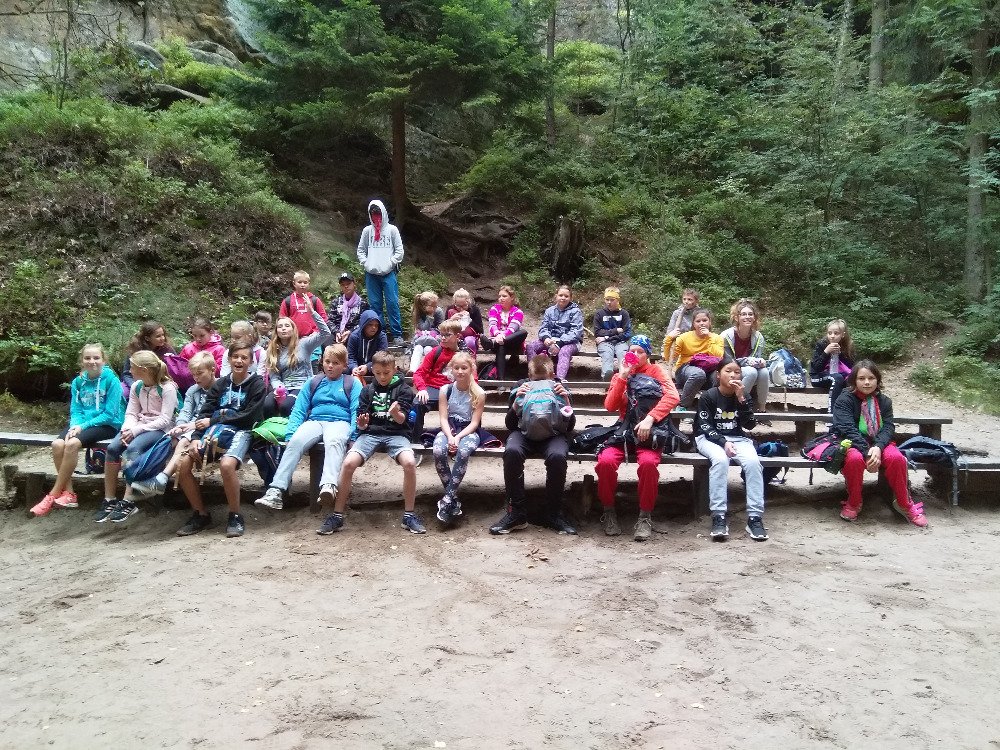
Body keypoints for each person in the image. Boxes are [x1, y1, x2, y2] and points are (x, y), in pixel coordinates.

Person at [317, 350, 423, 535]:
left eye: (387, 373)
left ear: (394, 369)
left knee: (409, 463)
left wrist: (395, 413)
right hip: (370, 434)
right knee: (348, 463)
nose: (382, 377)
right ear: (372, 370)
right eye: (378, 373)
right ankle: (337, 515)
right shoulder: (367, 390)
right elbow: (362, 422)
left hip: (397, 434)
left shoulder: (404, 389)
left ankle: (409, 515)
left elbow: (402, 420)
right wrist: (362, 423)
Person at [175, 342, 267, 537]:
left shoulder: (257, 384)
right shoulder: (221, 384)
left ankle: (235, 515)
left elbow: (249, 416)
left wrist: (214, 420)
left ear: (251, 362)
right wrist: (195, 438)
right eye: (235, 357)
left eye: (244, 357)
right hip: (214, 431)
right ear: (229, 359)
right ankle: (200, 514)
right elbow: (205, 412)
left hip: (243, 430)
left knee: (227, 465)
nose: (239, 361)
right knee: (182, 464)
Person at [256, 344, 359, 511]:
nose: (330, 366)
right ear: (322, 362)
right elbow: (299, 409)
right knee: (296, 442)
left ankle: (329, 485)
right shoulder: (314, 382)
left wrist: (354, 436)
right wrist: (290, 434)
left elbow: (356, 410)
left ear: (344, 365)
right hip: (315, 421)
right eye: (327, 361)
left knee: (334, 441)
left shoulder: (352, 383)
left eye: (336, 363)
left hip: (340, 422)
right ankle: (276, 490)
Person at [595, 335, 679, 541]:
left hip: (650, 431)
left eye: (640, 351)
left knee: (648, 464)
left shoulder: (656, 371)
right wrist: (623, 377)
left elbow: (673, 396)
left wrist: (651, 418)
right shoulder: (621, 374)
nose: (635, 354)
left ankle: (644, 516)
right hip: (624, 430)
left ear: (647, 354)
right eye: (631, 351)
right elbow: (610, 406)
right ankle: (608, 512)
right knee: (605, 462)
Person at [31, 344, 124, 517]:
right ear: (82, 361)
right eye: (87, 358)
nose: (92, 361)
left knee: (72, 444)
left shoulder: (112, 381)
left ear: (103, 360)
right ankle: (69, 494)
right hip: (82, 423)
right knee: (58, 444)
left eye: (96, 358)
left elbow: (110, 414)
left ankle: (53, 494)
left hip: (108, 424)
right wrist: (76, 425)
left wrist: (82, 427)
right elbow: (76, 410)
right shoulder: (78, 382)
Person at [832, 360, 927, 527]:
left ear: (878, 380)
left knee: (896, 458)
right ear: (854, 380)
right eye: (861, 378)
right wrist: (867, 452)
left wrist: (877, 447)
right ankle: (854, 502)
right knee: (854, 459)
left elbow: (888, 427)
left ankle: (905, 504)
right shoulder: (844, 399)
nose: (867, 382)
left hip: (879, 442)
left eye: (871, 378)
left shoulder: (885, 401)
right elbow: (847, 429)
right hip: (853, 442)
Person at [489, 355, 577, 535]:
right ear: (529, 376)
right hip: (524, 434)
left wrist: (566, 401)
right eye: (536, 380)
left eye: (544, 379)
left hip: (553, 434)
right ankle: (516, 513)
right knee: (512, 451)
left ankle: (553, 513)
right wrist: (516, 404)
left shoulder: (560, 386)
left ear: (552, 375)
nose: (540, 383)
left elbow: (570, 427)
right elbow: (510, 425)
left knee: (557, 456)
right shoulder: (520, 386)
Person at [95, 350, 178, 524]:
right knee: (113, 448)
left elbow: (165, 419)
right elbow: (131, 413)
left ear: (144, 370)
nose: (129, 371)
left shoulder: (167, 388)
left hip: (160, 429)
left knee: (133, 449)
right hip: (138, 426)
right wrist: (128, 429)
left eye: (132, 367)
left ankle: (129, 500)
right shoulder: (137, 386)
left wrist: (136, 431)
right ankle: (109, 499)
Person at [694, 357, 769, 542]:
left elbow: (749, 425)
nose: (733, 375)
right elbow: (704, 425)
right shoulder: (708, 396)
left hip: (738, 439)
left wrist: (741, 399)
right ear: (718, 375)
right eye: (728, 371)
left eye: (737, 372)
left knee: (753, 463)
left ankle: (755, 517)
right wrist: (723, 442)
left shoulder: (744, 395)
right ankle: (718, 516)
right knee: (720, 460)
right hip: (709, 438)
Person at [130, 351, 217, 498]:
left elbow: (216, 415)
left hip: (208, 427)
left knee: (181, 442)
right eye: (193, 374)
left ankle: (162, 478)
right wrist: (180, 426)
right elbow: (185, 411)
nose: (196, 378)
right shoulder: (193, 390)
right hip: (190, 427)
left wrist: (191, 427)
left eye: (200, 373)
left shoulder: (220, 387)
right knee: (170, 440)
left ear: (212, 370)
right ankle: (146, 477)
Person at [432, 351, 486, 526]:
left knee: (463, 451)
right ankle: (453, 499)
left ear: (471, 369)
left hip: (468, 430)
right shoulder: (445, 390)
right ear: (452, 369)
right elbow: (443, 418)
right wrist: (450, 436)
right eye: (456, 368)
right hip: (449, 428)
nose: (460, 371)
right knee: (438, 450)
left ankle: (447, 498)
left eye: (464, 368)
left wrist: (459, 437)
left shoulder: (479, 393)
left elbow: (475, 422)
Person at [261, 298, 331, 418]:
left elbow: (325, 333)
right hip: (283, 386)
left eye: (287, 326)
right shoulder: (273, 350)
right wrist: (278, 387)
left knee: (286, 406)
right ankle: (270, 427)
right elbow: (274, 375)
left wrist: (312, 312)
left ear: (293, 329)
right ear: (276, 331)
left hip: (303, 386)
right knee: (267, 405)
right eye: (280, 326)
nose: (283, 328)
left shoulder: (304, 344)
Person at [357, 199, 405, 345]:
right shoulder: (367, 231)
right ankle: (380, 333)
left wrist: (390, 263)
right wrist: (366, 263)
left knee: (392, 303)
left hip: (388, 273)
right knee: (375, 305)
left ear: (383, 213)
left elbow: (399, 251)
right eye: (373, 213)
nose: (376, 216)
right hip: (371, 274)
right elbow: (360, 250)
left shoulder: (392, 230)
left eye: (378, 213)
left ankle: (397, 334)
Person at [411, 319, 463, 440]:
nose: (443, 338)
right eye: (441, 334)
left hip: (454, 389)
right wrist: (422, 389)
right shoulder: (436, 351)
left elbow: (472, 377)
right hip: (434, 388)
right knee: (417, 403)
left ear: (457, 336)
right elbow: (419, 373)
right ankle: (415, 440)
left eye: (447, 335)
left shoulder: (464, 354)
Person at [525, 285, 584, 380]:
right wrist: (546, 338)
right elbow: (543, 328)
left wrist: (559, 343)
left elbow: (576, 332)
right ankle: (535, 375)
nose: (563, 298)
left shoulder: (576, 312)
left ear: (570, 298)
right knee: (531, 346)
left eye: (566, 296)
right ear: (556, 296)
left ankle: (559, 380)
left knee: (564, 351)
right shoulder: (549, 311)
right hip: (551, 340)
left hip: (570, 342)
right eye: (561, 295)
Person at [720, 298, 770, 412]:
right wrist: (747, 361)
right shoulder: (726, 336)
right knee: (751, 372)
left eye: (750, 314)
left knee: (764, 372)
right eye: (743, 314)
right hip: (730, 369)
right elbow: (726, 361)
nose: (747, 317)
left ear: (754, 317)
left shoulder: (758, 336)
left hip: (749, 368)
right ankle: (737, 405)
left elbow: (756, 358)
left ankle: (762, 408)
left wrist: (760, 362)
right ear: (736, 317)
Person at [671, 308, 724, 409]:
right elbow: (669, 356)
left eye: (704, 320)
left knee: (721, 375)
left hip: (709, 370)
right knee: (698, 374)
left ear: (710, 322)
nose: (701, 323)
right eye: (698, 321)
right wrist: (669, 339)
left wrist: (709, 337)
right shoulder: (684, 337)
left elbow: (719, 355)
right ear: (693, 324)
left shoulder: (716, 338)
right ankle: (683, 406)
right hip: (686, 370)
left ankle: (711, 407)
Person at [479, 285, 527, 380]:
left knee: (523, 332)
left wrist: (500, 337)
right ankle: (501, 380)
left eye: (504, 296)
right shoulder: (494, 309)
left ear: (512, 297)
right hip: (498, 340)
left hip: (512, 341)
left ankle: (492, 343)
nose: (501, 298)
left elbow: (512, 329)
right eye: (500, 296)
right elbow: (492, 325)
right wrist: (498, 335)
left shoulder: (518, 312)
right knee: (501, 346)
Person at [811, 319, 855, 412]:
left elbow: (852, 367)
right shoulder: (821, 344)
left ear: (843, 334)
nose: (832, 336)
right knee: (837, 378)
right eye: (829, 333)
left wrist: (841, 354)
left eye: (836, 333)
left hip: (839, 376)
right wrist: (826, 352)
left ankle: (848, 411)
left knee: (852, 380)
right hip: (818, 377)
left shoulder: (847, 345)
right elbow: (817, 368)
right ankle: (832, 413)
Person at [121, 320, 174, 392]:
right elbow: (127, 374)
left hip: (160, 384)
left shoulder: (168, 349)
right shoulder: (135, 350)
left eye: (163, 335)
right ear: (147, 338)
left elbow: (175, 369)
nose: (162, 338)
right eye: (158, 336)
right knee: (123, 392)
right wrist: (135, 387)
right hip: (137, 383)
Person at [594, 287, 633, 380]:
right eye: (607, 299)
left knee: (622, 354)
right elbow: (598, 332)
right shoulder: (599, 314)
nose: (609, 302)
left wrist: (606, 337)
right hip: (604, 343)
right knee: (607, 354)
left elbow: (627, 334)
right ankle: (607, 379)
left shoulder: (624, 314)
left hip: (620, 342)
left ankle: (623, 378)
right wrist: (616, 331)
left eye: (612, 300)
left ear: (617, 300)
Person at [279, 270, 327, 338]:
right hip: (293, 337)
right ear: (294, 283)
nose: (302, 285)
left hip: (313, 337)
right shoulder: (287, 301)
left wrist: (316, 331)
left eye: (305, 282)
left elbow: (323, 318)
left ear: (309, 284)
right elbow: (282, 319)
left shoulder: (315, 300)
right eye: (299, 282)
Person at [662, 288, 700, 369]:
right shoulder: (677, 313)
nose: (686, 301)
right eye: (684, 299)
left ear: (696, 301)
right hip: (678, 343)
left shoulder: (699, 313)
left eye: (690, 299)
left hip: (694, 344)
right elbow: (670, 331)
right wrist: (663, 350)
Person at [328, 272, 369, 345]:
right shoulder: (336, 302)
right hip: (338, 332)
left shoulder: (362, 303)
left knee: (355, 337)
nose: (346, 286)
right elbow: (330, 321)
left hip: (354, 333)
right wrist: (336, 332)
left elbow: (365, 322)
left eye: (348, 283)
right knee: (326, 340)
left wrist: (350, 331)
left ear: (354, 284)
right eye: (343, 285)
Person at [409, 291, 444, 373]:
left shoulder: (438, 311)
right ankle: (413, 370)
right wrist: (429, 317)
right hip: (421, 338)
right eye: (432, 306)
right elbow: (422, 327)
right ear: (423, 306)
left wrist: (432, 331)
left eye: (436, 306)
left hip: (434, 339)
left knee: (428, 349)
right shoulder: (418, 312)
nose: (434, 308)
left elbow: (441, 327)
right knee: (418, 348)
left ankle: (429, 370)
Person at [347, 309, 389, 378]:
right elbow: (350, 357)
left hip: (375, 367)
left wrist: (368, 367)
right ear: (364, 325)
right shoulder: (354, 336)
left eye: (376, 325)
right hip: (357, 368)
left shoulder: (381, 337)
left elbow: (383, 357)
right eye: (370, 325)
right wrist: (354, 367)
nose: (374, 328)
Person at [445, 288, 484, 355]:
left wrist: (469, 320)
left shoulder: (474, 310)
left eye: (464, 306)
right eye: (458, 306)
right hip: (454, 336)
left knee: (469, 342)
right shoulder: (450, 309)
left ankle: (470, 360)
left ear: (468, 302)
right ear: (454, 303)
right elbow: (443, 328)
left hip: (471, 337)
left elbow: (480, 330)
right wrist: (451, 319)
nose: (461, 309)